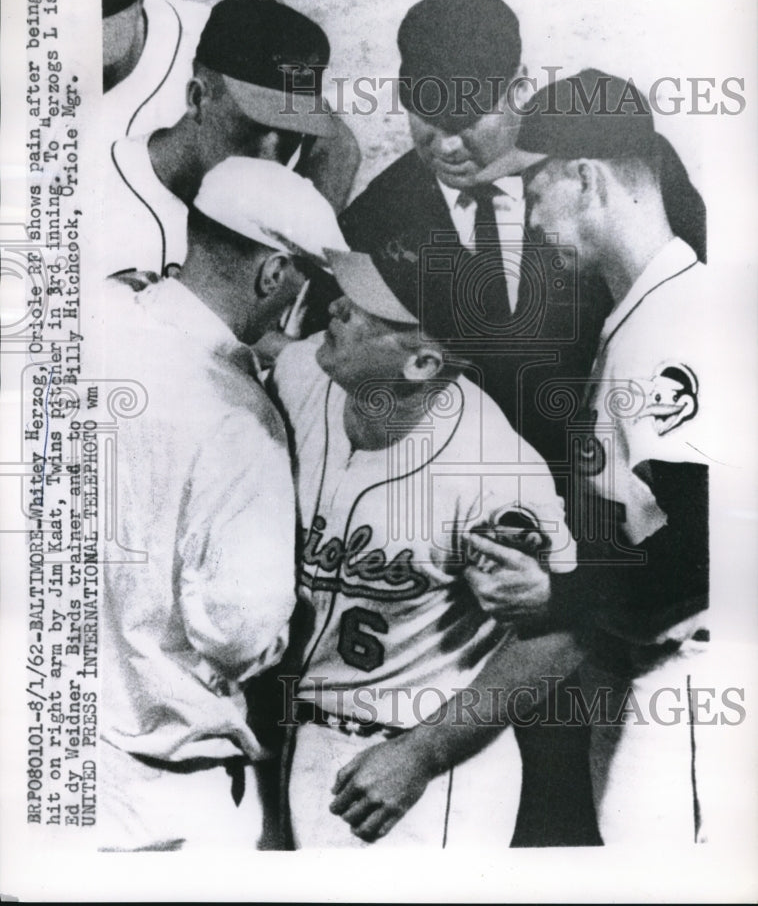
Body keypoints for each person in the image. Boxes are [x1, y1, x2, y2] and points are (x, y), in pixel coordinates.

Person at [334, 69, 714, 847]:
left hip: (681, 698)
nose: (530, 217)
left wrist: (557, 593)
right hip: (643, 685)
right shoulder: (655, 310)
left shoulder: (674, 327)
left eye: (536, 190)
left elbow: (704, 557)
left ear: (586, 178)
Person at [268, 227, 578, 848]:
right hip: (306, 741)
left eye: (363, 310)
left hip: (421, 770)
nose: (336, 307)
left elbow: (560, 639)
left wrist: (423, 755)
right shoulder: (305, 373)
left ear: (422, 364)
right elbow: (262, 346)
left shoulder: (494, 470)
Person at [338, 0, 707, 468]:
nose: (447, 146)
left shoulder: (614, 159)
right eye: (427, 119)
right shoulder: (375, 219)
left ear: (519, 87)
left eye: (467, 119)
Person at [94, 156, 348, 851]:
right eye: (306, 285)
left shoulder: (90, 330)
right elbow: (238, 635)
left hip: (57, 776)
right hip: (172, 802)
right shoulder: (242, 422)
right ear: (274, 276)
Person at [101, 0, 360, 211]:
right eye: (254, 129)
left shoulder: (225, 37)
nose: (270, 161)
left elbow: (337, 144)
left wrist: (305, 240)